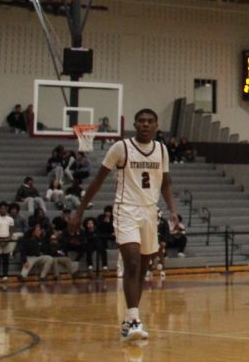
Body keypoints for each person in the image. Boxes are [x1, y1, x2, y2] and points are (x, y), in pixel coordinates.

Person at [71, 108, 179, 342]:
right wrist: (80, 211)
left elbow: (166, 183)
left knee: (141, 268)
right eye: (141, 121)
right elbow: (98, 181)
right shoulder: (121, 148)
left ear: (156, 125)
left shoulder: (161, 150)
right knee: (131, 261)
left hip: (150, 212)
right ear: (135, 124)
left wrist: (172, 210)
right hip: (125, 209)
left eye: (150, 121)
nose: (145, 125)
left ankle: (129, 320)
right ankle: (133, 320)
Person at [0, 201, 16, 282]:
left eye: (5, 208)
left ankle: (5, 275)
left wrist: (8, 239)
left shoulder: (10, 219)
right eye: (1, 208)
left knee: (6, 259)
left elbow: (11, 230)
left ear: (7, 209)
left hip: (7, 240)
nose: (3, 210)